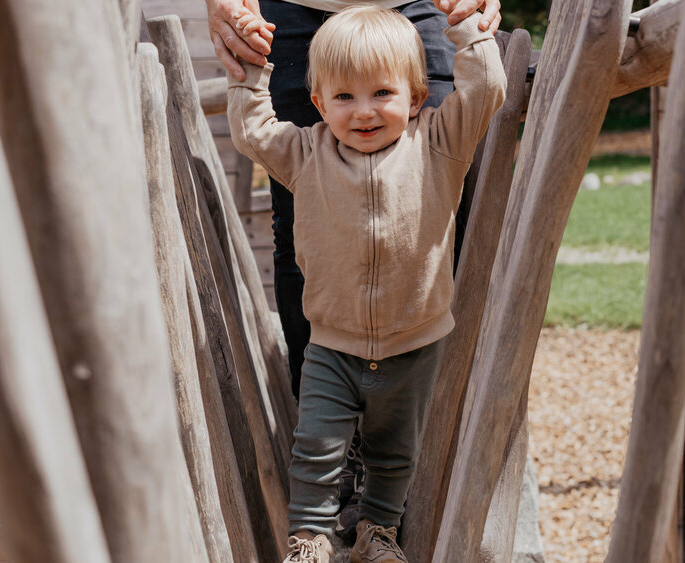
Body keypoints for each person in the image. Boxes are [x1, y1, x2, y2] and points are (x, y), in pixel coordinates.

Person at [206, 0, 500, 542]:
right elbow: (252, 131)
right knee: (316, 448)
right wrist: (251, 71)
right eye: (344, 97)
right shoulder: (307, 152)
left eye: (381, 94)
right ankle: (310, 538)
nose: (363, 112)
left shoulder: (438, 142)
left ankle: (378, 534)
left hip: (414, 343)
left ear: (415, 96)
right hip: (333, 343)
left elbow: (485, 92)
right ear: (317, 102)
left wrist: (467, 28)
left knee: (394, 453)